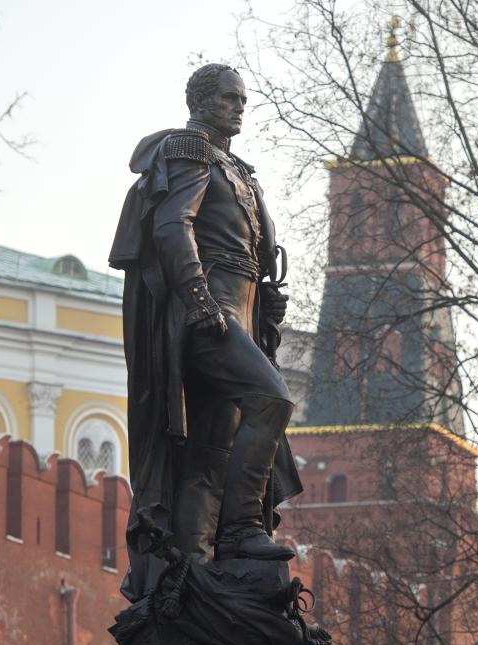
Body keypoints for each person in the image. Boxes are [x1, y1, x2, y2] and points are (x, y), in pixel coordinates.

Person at [109, 64, 301, 602]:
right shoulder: (187, 150)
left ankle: (195, 570)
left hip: (239, 310)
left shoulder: (239, 169)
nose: (239, 106)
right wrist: (198, 301)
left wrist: (264, 303)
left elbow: (249, 257)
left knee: (211, 448)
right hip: (208, 311)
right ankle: (241, 531)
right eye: (228, 97)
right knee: (271, 400)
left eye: (243, 99)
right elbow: (174, 226)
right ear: (199, 99)